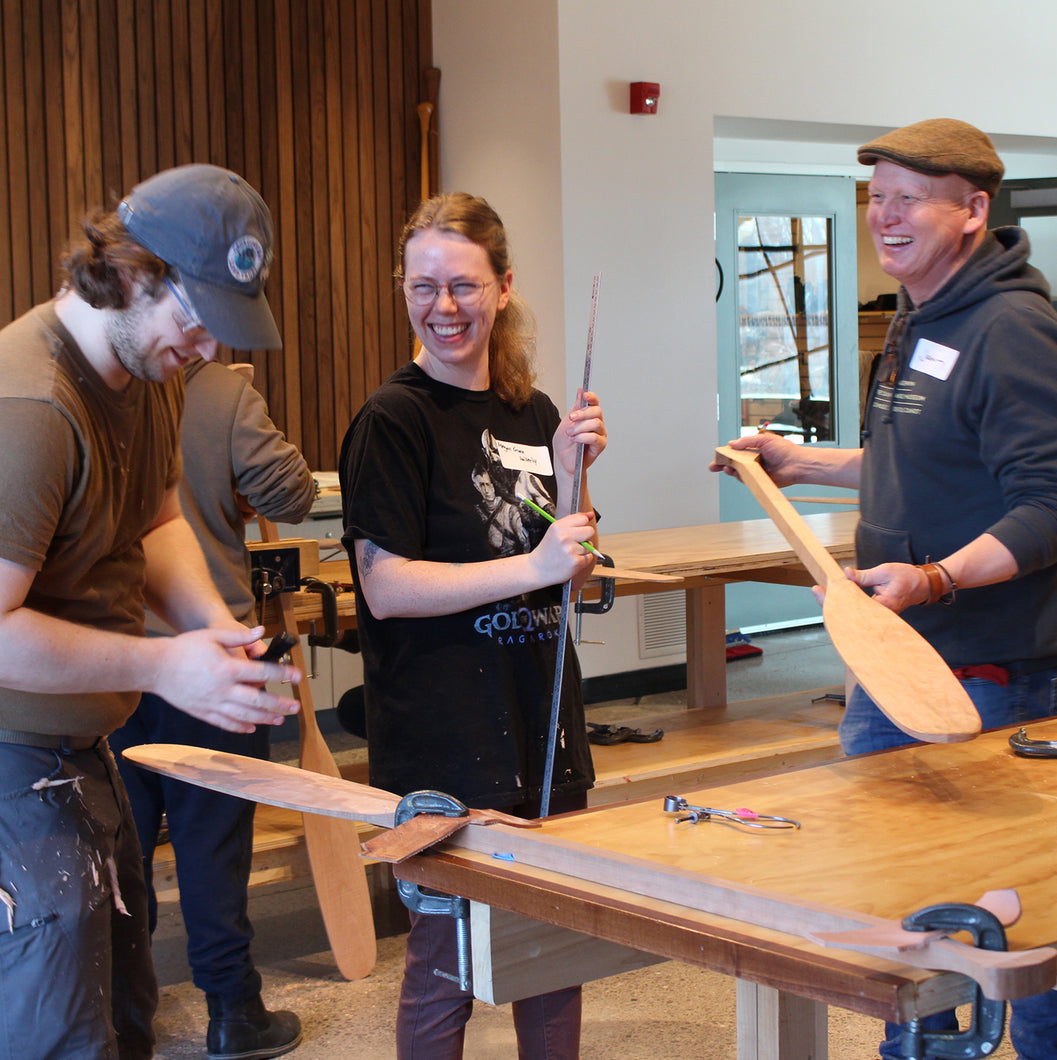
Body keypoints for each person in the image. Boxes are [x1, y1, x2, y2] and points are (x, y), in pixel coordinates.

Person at [712, 118, 1057, 1060]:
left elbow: (1048, 504)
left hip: (989, 672)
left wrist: (936, 578)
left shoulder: (1011, 330)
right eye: (877, 198)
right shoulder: (919, 316)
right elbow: (922, 461)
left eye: (910, 199)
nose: (885, 216)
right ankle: (923, 1046)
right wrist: (799, 464)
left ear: (973, 210)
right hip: (900, 657)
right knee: (900, 898)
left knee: (1014, 912)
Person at [0, 164, 303, 1060]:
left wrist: (209, 627)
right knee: (61, 1032)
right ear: (133, 274)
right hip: (12, 760)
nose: (205, 346)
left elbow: (159, 517)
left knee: (129, 1011)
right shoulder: (33, 409)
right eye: (196, 318)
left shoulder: (149, 372)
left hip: (80, 744)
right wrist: (162, 663)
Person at [339, 192, 607, 1060]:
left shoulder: (533, 412)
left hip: (540, 720)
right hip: (445, 734)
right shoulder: (393, 419)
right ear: (403, 290)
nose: (444, 306)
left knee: (552, 949)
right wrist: (532, 569)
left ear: (503, 287)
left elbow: (567, 560)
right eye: (424, 287)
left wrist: (573, 475)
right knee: (445, 961)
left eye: (464, 285)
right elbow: (385, 587)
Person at [110, 358, 314, 1059]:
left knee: (119, 854)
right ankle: (234, 1012)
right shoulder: (222, 390)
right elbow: (293, 494)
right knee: (212, 848)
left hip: (105, 661)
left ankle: (123, 1019)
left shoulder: (86, 389)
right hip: (211, 657)